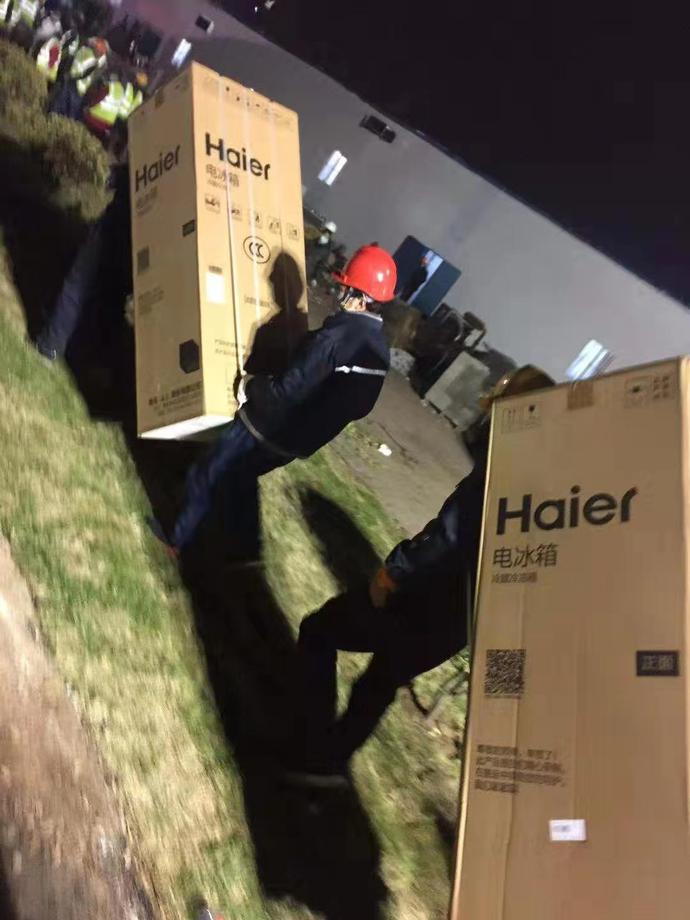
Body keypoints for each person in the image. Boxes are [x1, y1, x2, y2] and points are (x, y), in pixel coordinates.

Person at [290, 365, 555, 785]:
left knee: (320, 631)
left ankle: (309, 741)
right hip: (456, 623)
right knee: (379, 683)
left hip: (421, 602)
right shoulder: (544, 483)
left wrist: (392, 573)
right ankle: (325, 762)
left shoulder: (503, 468)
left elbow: (448, 538)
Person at [149, 244, 398, 559]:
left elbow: (286, 391)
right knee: (235, 482)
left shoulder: (334, 339)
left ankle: (176, 538)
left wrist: (251, 386)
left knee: (209, 472)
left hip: (265, 429)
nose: (339, 292)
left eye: (345, 288)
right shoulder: (379, 352)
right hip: (298, 442)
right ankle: (225, 551)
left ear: (360, 297)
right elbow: (360, 406)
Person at [33, 164, 131, 364]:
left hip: (112, 226)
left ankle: (50, 346)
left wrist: (116, 175)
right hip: (134, 243)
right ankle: (94, 365)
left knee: (78, 284)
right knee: (110, 301)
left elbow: (113, 180)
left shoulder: (145, 153)